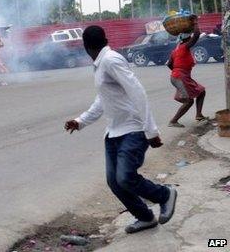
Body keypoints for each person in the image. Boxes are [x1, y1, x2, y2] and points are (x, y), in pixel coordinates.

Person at [64, 26, 177, 234]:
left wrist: (150, 130)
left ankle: (164, 194)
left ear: (85, 47)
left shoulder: (110, 60)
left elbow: (137, 91)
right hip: (114, 132)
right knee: (115, 182)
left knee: (124, 177)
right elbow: (103, 99)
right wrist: (80, 121)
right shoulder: (100, 64)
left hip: (133, 130)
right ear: (105, 39)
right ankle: (145, 217)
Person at [167, 16, 207, 127]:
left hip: (180, 76)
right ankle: (173, 121)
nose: (191, 40)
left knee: (201, 91)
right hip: (180, 77)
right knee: (188, 101)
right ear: (187, 39)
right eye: (190, 38)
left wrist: (177, 72)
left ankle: (199, 115)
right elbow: (197, 34)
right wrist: (195, 22)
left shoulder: (176, 50)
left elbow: (169, 64)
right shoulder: (185, 47)